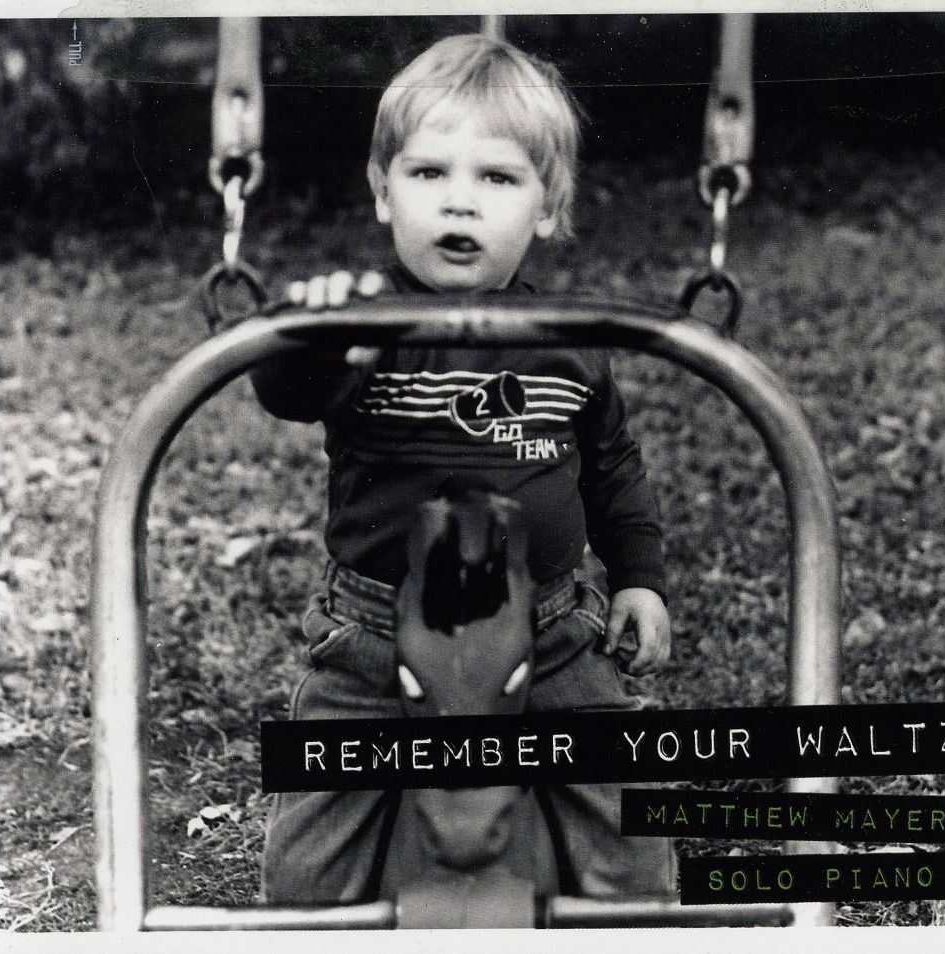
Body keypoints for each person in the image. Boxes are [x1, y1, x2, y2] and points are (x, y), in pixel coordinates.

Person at [254, 32, 675, 904]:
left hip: (552, 629)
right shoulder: (363, 323)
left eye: (497, 178)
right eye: (428, 172)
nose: (459, 201)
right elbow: (290, 391)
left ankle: (630, 921)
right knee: (305, 876)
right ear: (383, 191)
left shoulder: (569, 341)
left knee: (628, 840)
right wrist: (311, 338)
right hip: (373, 634)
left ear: (548, 207)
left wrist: (637, 577)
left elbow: (611, 467)